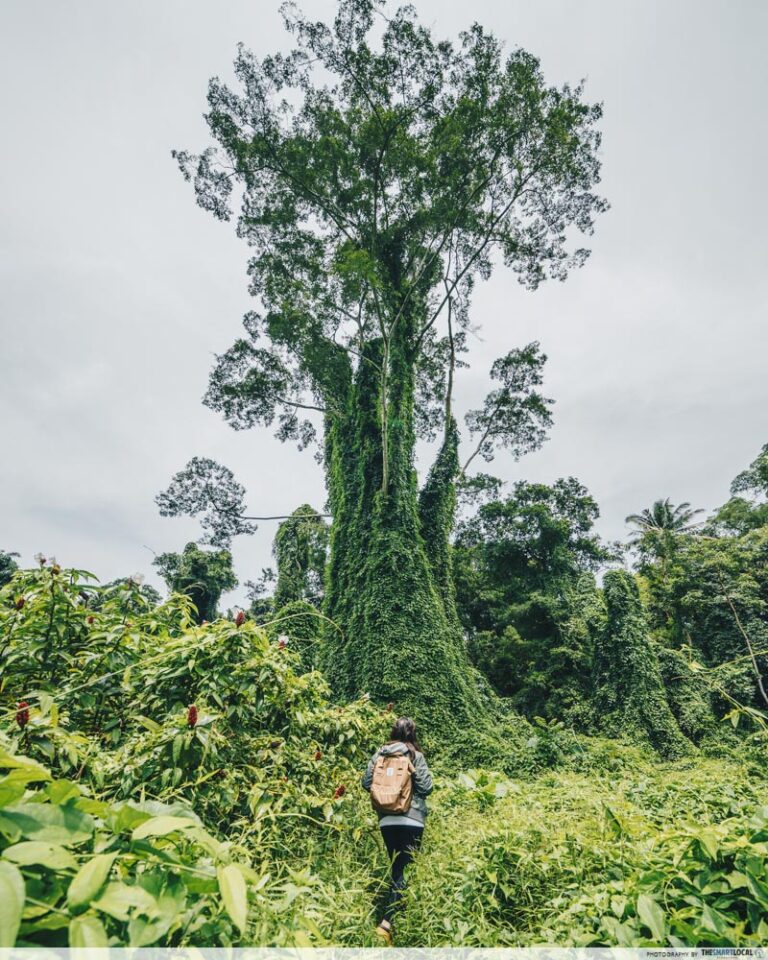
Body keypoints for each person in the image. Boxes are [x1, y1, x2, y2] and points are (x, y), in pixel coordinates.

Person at [361, 716, 433, 944]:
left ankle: (394, 920)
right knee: (405, 870)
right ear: (412, 734)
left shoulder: (380, 755)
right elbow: (426, 788)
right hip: (412, 820)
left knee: (397, 868)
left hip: (386, 821)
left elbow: (366, 783)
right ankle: (387, 924)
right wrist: (411, 771)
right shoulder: (415, 756)